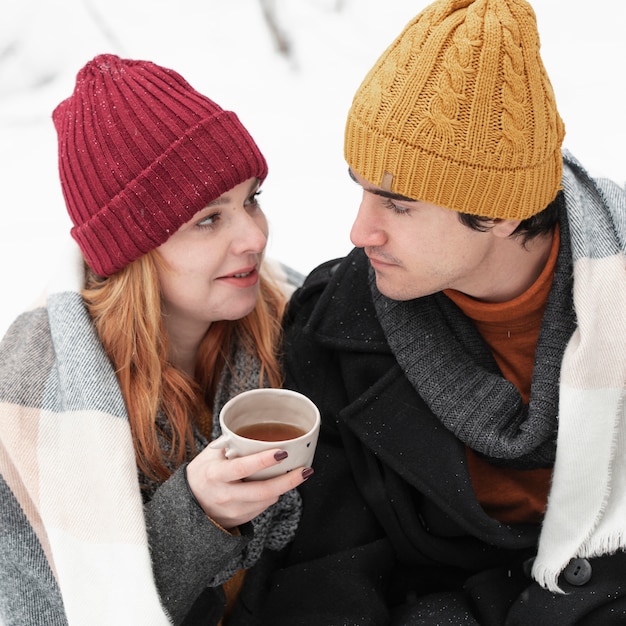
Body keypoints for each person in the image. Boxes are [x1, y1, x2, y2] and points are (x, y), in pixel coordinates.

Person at [256, 0, 626, 623]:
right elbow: (326, 581)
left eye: (397, 204)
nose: (359, 230)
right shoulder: (337, 328)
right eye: (360, 188)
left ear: (503, 211)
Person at [0, 54, 313, 626]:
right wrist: (198, 516)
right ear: (133, 252)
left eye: (252, 199)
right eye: (208, 219)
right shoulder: (34, 405)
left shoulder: (294, 313)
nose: (254, 237)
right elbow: (55, 613)